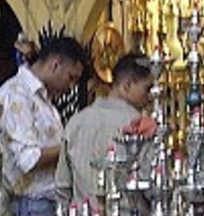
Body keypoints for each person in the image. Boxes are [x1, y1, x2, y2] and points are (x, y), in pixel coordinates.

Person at [0, 32, 87, 216]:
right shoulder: (16, 95)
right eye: (71, 78)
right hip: (31, 205)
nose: (71, 86)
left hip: (50, 205)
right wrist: (71, 148)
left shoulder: (44, 100)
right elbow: (28, 159)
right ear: (56, 65)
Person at [56, 53, 156, 207]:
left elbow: (63, 186)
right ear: (127, 85)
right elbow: (150, 184)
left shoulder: (76, 122)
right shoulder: (139, 126)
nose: (150, 96)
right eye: (147, 88)